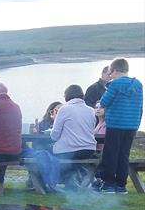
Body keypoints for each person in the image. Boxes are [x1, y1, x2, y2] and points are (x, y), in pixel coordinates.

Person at [96, 57, 143, 194]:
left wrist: (99, 106)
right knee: (124, 154)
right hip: (131, 125)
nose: (110, 75)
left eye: (111, 72)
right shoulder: (138, 84)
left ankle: (109, 184)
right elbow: (140, 106)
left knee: (111, 154)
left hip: (115, 124)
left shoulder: (114, 84)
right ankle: (121, 185)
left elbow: (104, 102)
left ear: (115, 71)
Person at [50, 85, 98, 189]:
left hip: (70, 151)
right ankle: (73, 181)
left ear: (67, 96)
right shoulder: (90, 110)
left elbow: (54, 135)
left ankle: (46, 182)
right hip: (89, 150)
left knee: (46, 152)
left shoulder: (64, 109)